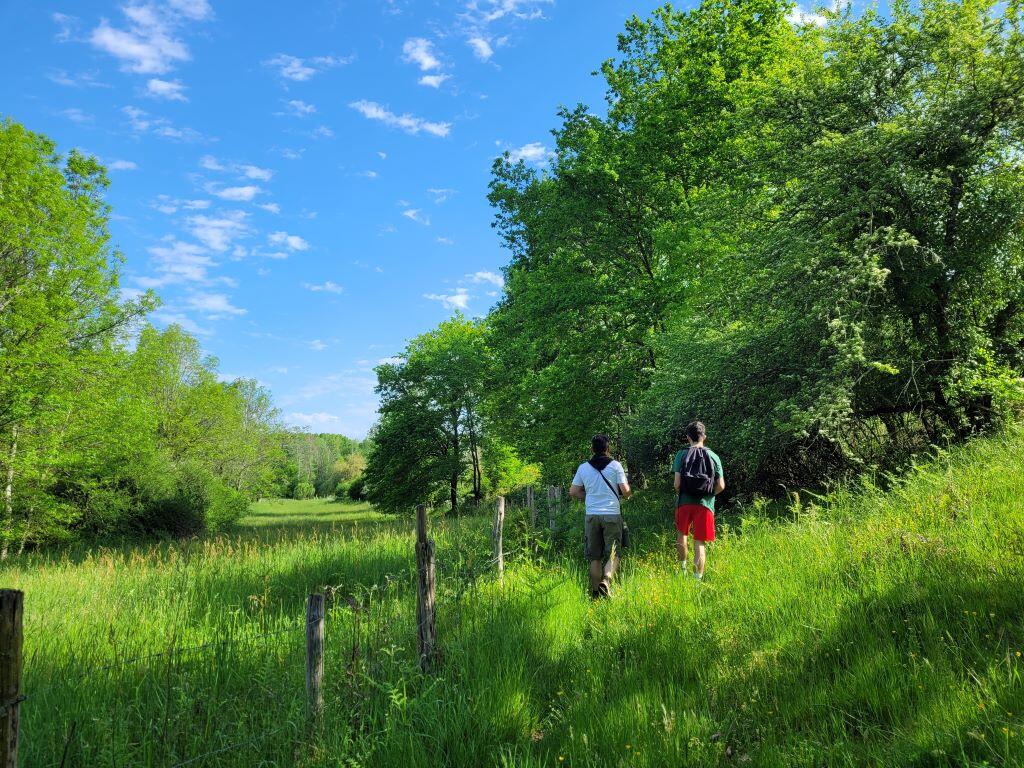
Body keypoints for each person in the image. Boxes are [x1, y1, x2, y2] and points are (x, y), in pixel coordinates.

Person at [569, 434, 631, 598]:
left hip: (592, 516)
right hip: (611, 514)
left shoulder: (583, 468)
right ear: (607, 449)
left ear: (592, 449)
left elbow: (573, 492)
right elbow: (625, 491)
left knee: (594, 557)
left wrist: (589, 496)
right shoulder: (616, 466)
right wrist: (626, 493)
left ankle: (596, 593)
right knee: (614, 553)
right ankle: (607, 580)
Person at [672, 421, 724, 581]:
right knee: (699, 542)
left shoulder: (681, 454)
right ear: (704, 437)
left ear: (688, 437)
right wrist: (708, 495)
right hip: (705, 505)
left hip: (684, 503)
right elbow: (721, 485)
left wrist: (685, 493)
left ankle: (682, 570)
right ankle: (697, 580)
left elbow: (677, 484)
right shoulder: (713, 456)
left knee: (682, 535)